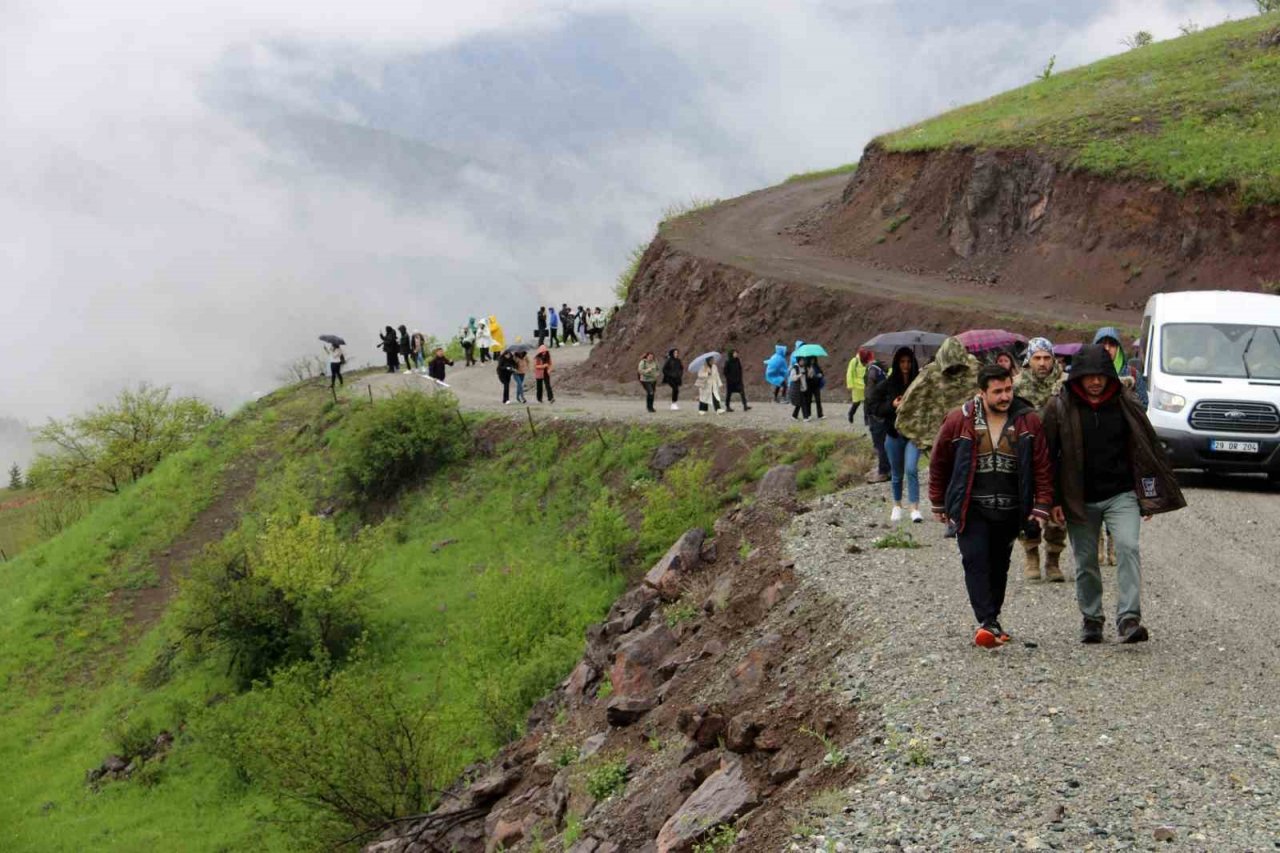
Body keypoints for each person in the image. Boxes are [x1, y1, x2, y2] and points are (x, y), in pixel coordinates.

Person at [1041, 344, 1187, 644]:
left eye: (1101, 375)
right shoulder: (1058, 407)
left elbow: (1146, 451)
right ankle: (1092, 619)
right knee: (1085, 561)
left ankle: (1129, 619)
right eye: (1088, 376)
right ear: (1077, 377)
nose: (1095, 382)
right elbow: (1046, 456)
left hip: (1122, 495)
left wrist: (1149, 495)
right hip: (1078, 498)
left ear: (1109, 375)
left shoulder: (1126, 403)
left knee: (1128, 547)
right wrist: (1053, 499)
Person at [929, 364, 1054, 648]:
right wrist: (938, 502)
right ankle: (986, 621)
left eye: (1008, 389)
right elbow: (940, 462)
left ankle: (993, 619)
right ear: (981, 393)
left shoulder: (1028, 421)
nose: (1004, 396)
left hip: (1011, 510)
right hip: (972, 508)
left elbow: (1043, 467)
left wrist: (1041, 507)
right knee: (975, 561)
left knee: (999, 566)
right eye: (997, 391)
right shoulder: (959, 420)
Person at [1013, 337, 1068, 583]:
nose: (1043, 363)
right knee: (1027, 506)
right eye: (1037, 358)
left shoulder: (1065, 384)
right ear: (1029, 360)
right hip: (1026, 456)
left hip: (1059, 456)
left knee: (1059, 509)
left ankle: (1053, 560)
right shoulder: (1015, 387)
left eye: (1047, 358)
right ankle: (1031, 554)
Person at [895, 336, 982, 452]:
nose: (954, 369)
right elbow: (913, 397)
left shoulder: (975, 368)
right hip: (940, 430)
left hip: (970, 430)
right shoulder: (931, 372)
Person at [873, 346, 923, 523]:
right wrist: (892, 406)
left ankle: (915, 507)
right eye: (902, 361)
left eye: (909, 361)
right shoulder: (887, 384)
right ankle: (897, 505)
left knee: (911, 469)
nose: (906, 365)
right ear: (897, 363)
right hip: (894, 434)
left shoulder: (919, 383)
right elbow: (874, 407)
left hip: (914, 435)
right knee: (896, 473)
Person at [863, 354, 892, 483]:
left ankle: (883, 471)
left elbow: (869, 394)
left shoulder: (872, 371)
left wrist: (869, 409)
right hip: (884, 408)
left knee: (880, 442)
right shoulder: (881, 370)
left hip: (876, 411)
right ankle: (887, 468)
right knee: (885, 441)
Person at [846, 348, 872, 423]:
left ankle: (866, 420)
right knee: (856, 403)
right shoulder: (854, 361)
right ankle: (851, 414)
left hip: (865, 385)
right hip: (856, 386)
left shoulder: (868, 361)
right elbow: (849, 373)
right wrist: (850, 385)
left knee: (866, 403)